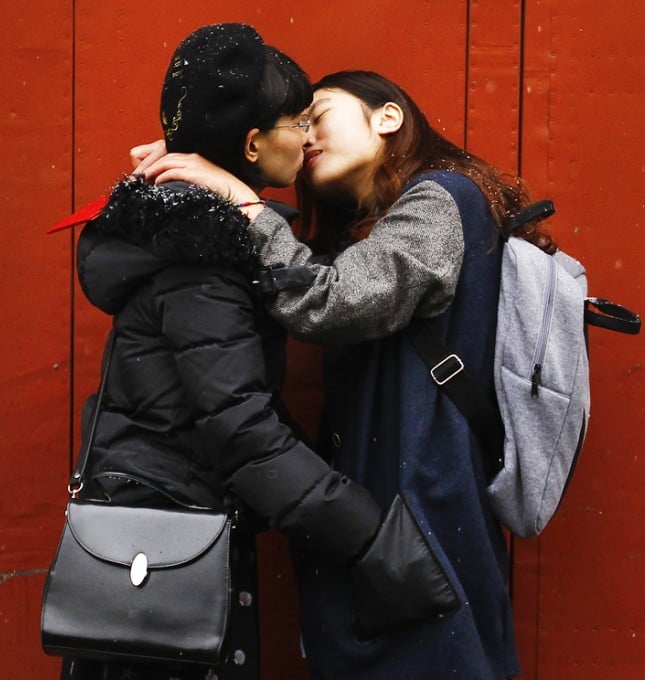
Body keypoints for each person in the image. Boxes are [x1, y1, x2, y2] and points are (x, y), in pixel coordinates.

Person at [140, 70, 558, 679]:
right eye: (297, 124)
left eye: (320, 114)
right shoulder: (379, 227)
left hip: (428, 526)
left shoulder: (445, 196)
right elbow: (312, 266)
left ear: (387, 118)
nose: (305, 135)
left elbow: (331, 298)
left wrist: (239, 199)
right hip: (399, 532)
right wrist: (201, 175)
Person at [65, 29, 442, 680]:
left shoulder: (202, 237)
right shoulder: (199, 255)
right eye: (299, 123)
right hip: (161, 550)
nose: (309, 138)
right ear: (252, 145)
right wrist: (373, 541)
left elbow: (234, 398)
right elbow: (239, 429)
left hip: (168, 536)